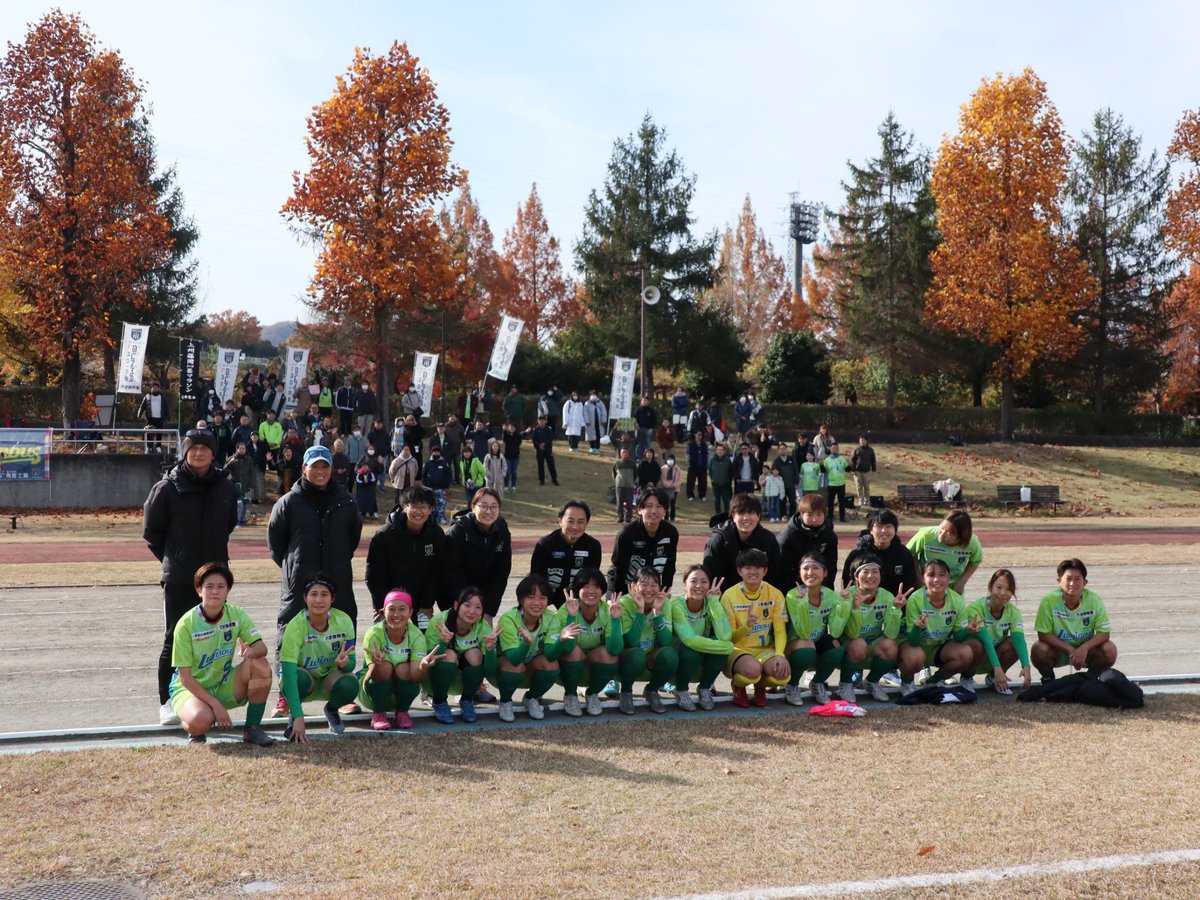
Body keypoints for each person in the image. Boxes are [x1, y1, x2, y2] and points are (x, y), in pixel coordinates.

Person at [143, 428, 239, 725]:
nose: (199, 453)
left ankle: (205, 696)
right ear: (184, 452)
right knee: (174, 638)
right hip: (181, 579)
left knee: (211, 639)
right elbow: (152, 533)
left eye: (205, 448)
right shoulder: (167, 487)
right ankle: (167, 701)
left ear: (214, 452)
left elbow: (229, 524)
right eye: (193, 448)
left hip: (215, 578)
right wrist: (176, 561)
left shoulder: (225, 486)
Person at [266, 445, 362, 714]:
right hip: (299, 582)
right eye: (314, 467)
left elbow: (351, 539)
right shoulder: (288, 502)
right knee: (288, 631)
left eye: (325, 467)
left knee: (345, 625)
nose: (320, 472)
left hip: (338, 578)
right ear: (304, 469)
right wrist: (293, 567)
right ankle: (286, 694)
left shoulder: (347, 501)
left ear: (331, 470)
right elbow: (276, 546)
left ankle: (343, 692)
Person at [168, 563, 273, 746]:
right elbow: (185, 678)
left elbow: (262, 648)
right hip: (189, 688)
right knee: (201, 721)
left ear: (228, 590)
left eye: (220, 586)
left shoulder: (237, 615)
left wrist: (251, 651)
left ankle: (252, 729)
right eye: (209, 587)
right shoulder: (186, 624)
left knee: (260, 664)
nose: (215, 591)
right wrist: (216, 705)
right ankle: (192, 722)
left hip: (222, 683)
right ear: (199, 590)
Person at [278, 574, 359, 742]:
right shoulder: (295, 625)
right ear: (305, 598)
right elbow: (288, 672)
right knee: (293, 679)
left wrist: (345, 664)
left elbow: (351, 663)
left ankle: (331, 709)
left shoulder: (344, 621)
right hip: (305, 679)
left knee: (350, 683)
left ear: (333, 598)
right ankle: (294, 715)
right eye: (313, 594)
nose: (319, 600)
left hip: (329, 678)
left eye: (324, 594)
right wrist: (299, 715)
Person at [495, 574, 576, 722]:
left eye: (542, 598)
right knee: (515, 667)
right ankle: (505, 701)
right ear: (521, 600)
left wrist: (561, 640)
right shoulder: (509, 618)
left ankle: (531, 698)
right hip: (504, 668)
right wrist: (526, 644)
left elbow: (551, 655)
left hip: (531, 665)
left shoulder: (551, 618)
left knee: (551, 665)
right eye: (531, 597)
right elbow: (513, 659)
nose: (537, 603)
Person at [366, 485, 446, 628]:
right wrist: (382, 605)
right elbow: (374, 576)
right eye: (414, 506)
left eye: (424, 507)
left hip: (422, 601)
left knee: (425, 640)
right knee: (386, 641)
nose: (418, 512)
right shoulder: (384, 536)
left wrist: (427, 605)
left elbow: (437, 574)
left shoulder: (436, 535)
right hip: (390, 600)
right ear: (404, 506)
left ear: (430, 509)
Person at [356, 589, 436, 730]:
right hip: (372, 693)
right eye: (391, 609)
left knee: (404, 668)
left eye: (402, 609)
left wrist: (422, 668)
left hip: (399, 694)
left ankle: (402, 712)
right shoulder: (374, 633)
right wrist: (377, 664)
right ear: (383, 611)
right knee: (385, 667)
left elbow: (416, 679)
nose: (396, 614)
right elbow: (373, 677)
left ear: (411, 612)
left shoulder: (417, 636)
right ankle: (378, 713)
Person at [720, 548, 791, 708]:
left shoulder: (775, 594)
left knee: (783, 675)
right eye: (748, 568)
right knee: (753, 670)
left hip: (765, 649)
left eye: (758, 567)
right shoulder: (729, 596)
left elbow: (780, 631)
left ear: (765, 570)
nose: (753, 572)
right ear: (739, 570)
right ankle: (738, 686)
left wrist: (780, 655)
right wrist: (747, 626)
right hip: (739, 650)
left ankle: (760, 688)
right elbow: (731, 638)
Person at [898, 559, 980, 696]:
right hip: (918, 647)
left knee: (965, 653)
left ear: (949, 577)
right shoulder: (915, 599)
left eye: (942, 574)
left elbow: (958, 637)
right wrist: (917, 628)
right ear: (923, 579)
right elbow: (913, 642)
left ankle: (935, 680)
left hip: (940, 648)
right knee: (913, 657)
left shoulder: (957, 600)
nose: (936, 579)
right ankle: (906, 683)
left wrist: (967, 631)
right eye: (931, 575)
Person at [552, 570, 625, 716]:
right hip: (567, 666)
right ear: (577, 589)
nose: (591, 591)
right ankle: (570, 695)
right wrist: (571, 617)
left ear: (602, 590)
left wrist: (616, 620)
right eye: (585, 586)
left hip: (593, 662)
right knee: (573, 651)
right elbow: (565, 649)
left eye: (596, 586)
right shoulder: (566, 609)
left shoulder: (608, 610)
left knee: (609, 655)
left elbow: (615, 650)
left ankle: (592, 694)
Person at [1031, 558, 1116, 682]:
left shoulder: (1094, 600)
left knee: (1110, 650)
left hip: (1085, 653)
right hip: (1059, 651)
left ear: (1085, 582)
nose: (1072, 583)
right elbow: (1043, 634)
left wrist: (1084, 648)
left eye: (1077, 579)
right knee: (1038, 649)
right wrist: (1070, 649)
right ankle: (1048, 679)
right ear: (1059, 581)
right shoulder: (1048, 601)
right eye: (1068, 579)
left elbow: (1104, 633)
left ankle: (1090, 678)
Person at [783, 554, 852, 705]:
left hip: (814, 642)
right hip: (794, 645)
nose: (810, 572)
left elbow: (834, 632)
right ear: (799, 572)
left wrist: (844, 604)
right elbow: (803, 633)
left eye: (816, 568)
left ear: (825, 573)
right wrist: (802, 605)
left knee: (836, 646)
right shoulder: (793, 595)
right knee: (807, 644)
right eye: (805, 568)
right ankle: (792, 685)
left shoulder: (830, 596)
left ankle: (817, 683)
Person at [425, 587, 500, 723]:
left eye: (478, 607)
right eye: (467, 605)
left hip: (467, 679)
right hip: (435, 679)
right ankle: (439, 701)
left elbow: (490, 671)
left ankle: (467, 700)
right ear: (456, 605)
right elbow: (429, 662)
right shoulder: (439, 622)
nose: (472, 611)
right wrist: (442, 644)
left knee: (475, 654)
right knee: (448, 655)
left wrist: (489, 650)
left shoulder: (484, 627)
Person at [666, 565, 733, 711]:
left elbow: (725, 635)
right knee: (692, 650)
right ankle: (681, 689)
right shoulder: (677, 605)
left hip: (700, 653)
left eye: (704, 581)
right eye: (693, 581)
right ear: (684, 584)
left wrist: (715, 602)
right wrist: (726, 646)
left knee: (719, 650)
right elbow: (690, 640)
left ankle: (704, 688)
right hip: (678, 658)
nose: (699, 586)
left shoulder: (711, 602)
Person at [614, 566, 678, 715]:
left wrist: (657, 613)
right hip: (628, 655)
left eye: (654, 584)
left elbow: (666, 640)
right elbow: (631, 641)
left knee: (670, 655)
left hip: (651, 654)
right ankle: (626, 692)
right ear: (634, 586)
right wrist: (640, 611)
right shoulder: (625, 603)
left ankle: (652, 690)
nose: (649, 589)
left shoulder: (664, 602)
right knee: (637, 655)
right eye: (644, 584)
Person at [443, 488, 512, 622]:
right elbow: (452, 574)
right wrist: (468, 607)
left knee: (484, 638)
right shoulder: (458, 531)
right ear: (473, 507)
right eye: (483, 506)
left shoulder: (502, 530)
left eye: (493, 507)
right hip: (456, 598)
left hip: (484, 598)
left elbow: (501, 574)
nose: (488, 511)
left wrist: (489, 611)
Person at [840, 555, 903, 702]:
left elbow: (891, 633)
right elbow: (851, 633)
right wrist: (855, 609)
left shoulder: (887, 596)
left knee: (890, 646)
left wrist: (895, 609)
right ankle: (845, 683)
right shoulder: (846, 596)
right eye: (865, 572)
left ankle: (872, 681)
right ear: (856, 576)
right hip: (847, 647)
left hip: (870, 645)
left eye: (875, 571)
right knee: (858, 642)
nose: (870, 576)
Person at [963, 568, 1032, 694]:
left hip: (994, 656)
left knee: (1013, 642)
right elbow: (986, 640)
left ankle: (993, 678)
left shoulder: (1013, 612)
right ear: (990, 587)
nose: (1003, 593)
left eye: (1008, 589)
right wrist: (997, 667)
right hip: (975, 657)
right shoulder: (975, 609)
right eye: (999, 587)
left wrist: (1026, 666)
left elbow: (1019, 639)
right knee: (976, 644)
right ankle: (966, 678)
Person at [529, 500, 604, 608]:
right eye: (570, 521)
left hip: (576, 595)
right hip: (547, 593)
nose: (575, 526)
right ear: (560, 521)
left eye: (580, 522)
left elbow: (591, 581)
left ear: (587, 523)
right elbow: (536, 579)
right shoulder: (545, 544)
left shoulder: (593, 546)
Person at [703, 492, 783, 589]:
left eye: (751, 513)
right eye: (741, 513)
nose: (746, 518)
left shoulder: (768, 539)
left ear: (758, 516)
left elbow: (775, 575)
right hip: (725, 597)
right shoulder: (719, 540)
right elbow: (709, 576)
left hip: (760, 597)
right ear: (733, 515)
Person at [608, 487, 680, 595]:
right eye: (649, 506)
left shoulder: (671, 533)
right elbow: (619, 568)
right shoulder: (627, 533)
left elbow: (669, 568)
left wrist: (664, 593)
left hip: (650, 587)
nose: (654, 511)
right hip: (623, 585)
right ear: (639, 509)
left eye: (659, 506)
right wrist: (622, 598)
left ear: (665, 510)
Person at [841, 509, 918, 596]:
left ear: (895, 530)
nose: (883, 530)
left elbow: (909, 583)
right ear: (870, 530)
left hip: (894, 605)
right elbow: (848, 583)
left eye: (888, 526)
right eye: (879, 526)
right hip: (862, 604)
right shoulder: (857, 554)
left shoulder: (903, 554)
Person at [906, 510, 983, 596]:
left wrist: (962, 582)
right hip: (928, 583)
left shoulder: (972, 543)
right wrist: (919, 578)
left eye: (948, 533)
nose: (942, 534)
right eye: (942, 528)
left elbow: (976, 561)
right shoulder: (926, 535)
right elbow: (909, 553)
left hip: (953, 586)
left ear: (961, 537)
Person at [778, 492, 838, 590]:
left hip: (821, 588)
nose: (815, 519)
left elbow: (831, 567)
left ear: (825, 514)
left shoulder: (830, 535)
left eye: (819, 515)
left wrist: (824, 590)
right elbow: (783, 571)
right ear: (801, 514)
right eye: (809, 515)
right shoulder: (787, 537)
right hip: (794, 588)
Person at [421, 444, 452, 524]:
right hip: (430, 488)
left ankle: (441, 518)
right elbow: (423, 474)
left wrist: (446, 485)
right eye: (434, 452)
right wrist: (425, 485)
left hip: (441, 488)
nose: (436, 453)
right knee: (431, 504)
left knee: (442, 504)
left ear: (440, 453)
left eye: (437, 452)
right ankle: (432, 519)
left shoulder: (444, 463)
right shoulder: (427, 463)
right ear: (432, 453)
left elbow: (448, 474)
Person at [822, 441, 851, 522]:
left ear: (838, 449)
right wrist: (821, 465)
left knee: (842, 502)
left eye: (836, 448)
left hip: (841, 484)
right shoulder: (827, 460)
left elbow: (847, 469)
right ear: (830, 450)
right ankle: (830, 517)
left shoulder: (842, 459)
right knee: (830, 502)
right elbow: (823, 471)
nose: (834, 449)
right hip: (831, 484)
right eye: (833, 448)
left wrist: (851, 466)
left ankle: (842, 517)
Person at [531, 414, 559, 486]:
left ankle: (554, 479)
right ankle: (541, 480)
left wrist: (544, 443)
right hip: (539, 450)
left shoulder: (548, 429)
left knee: (551, 465)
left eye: (543, 420)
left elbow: (550, 438)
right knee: (540, 465)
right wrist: (539, 445)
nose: (542, 422)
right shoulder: (536, 430)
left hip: (548, 450)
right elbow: (534, 439)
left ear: (545, 421)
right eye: (540, 420)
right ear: (538, 421)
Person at [772, 443, 799, 519]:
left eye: (784, 449)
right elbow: (773, 472)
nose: (782, 450)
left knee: (793, 501)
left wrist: (796, 480)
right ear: (778, 450)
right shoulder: (776, 461)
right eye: (781, 449)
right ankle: (783, 515)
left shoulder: (791, 459)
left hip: (791, 484)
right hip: (781, 485)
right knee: (782, 501)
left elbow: (796, 470)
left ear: (786, 450)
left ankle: (792, 516)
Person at [850, 435, 877, 509]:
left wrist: (874, 470)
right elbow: (852, 461)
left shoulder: (870, 450)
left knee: (866, 486)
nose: (861, 441)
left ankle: (867, 500)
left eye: (863, 440)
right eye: (860, 440)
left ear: (866, 441)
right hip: (858, 471)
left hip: (867, 471)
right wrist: (852, 470)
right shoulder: (857, 450)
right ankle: (860, 500)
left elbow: (873, 461)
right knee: (859, 486)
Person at [708, 442, 733, 515]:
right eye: (718, 450)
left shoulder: (728, 460)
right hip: (715, 484)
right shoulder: (713, 460)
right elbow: (710, 471)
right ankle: (718, 515)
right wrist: (713, 479)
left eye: (721, 450)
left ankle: (726, 515)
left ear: (724, 451)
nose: (720, 451)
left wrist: (728, 481)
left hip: (725, 484)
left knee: (726, 500)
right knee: (716, 501)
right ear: (716, 451)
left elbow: (731, 472)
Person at [613, 448, 637, 523]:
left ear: (628, 453)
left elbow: (635, 473)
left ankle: (628, 517)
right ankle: (620, 517)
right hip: (620, 485)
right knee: (619, 502)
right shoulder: (617, 463)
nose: (624, 454)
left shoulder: (632, 463)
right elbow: (614, 473)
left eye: (626, 452)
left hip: (629, 485)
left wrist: (631, 481)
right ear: (620, 454)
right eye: (623, 452)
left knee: (629, 502)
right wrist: (617, 480)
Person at [685, 431, 709, 503]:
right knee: (691, 481)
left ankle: (702, 495)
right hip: (693, 466)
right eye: (698, 434)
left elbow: (708, 455)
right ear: (695, 435)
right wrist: (688, 464)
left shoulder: (704, 445)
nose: (699, 436)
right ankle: (690, 495)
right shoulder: (691, 445)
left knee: (703, 482)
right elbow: (687, 455)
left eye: (701, 435)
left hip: (702, 467)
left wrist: (707, 465)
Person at [659, 453, 683, 521]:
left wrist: (674, 485)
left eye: (671, 459)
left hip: (674, 489)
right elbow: (662, 478)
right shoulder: (663, 468)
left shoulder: (677, 469)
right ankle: (666, 517)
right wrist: (667, 485)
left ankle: (672, 517)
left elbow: (680, 479)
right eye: (669, 459)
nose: (670, 460)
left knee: (673, 504)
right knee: (666, 504)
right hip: (665, 489)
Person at [443, 412, 464, 483]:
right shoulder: (445, 426)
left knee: (457, 465)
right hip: (447, 450)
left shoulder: (460, 427)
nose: (452, 418)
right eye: (451, 417)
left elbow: (462, 438)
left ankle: (457, 479)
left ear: (456, 418)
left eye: (454, 417)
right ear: (448, 418)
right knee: (447, 465)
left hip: (457, 450)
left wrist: (462, 448)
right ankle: (449, 479)